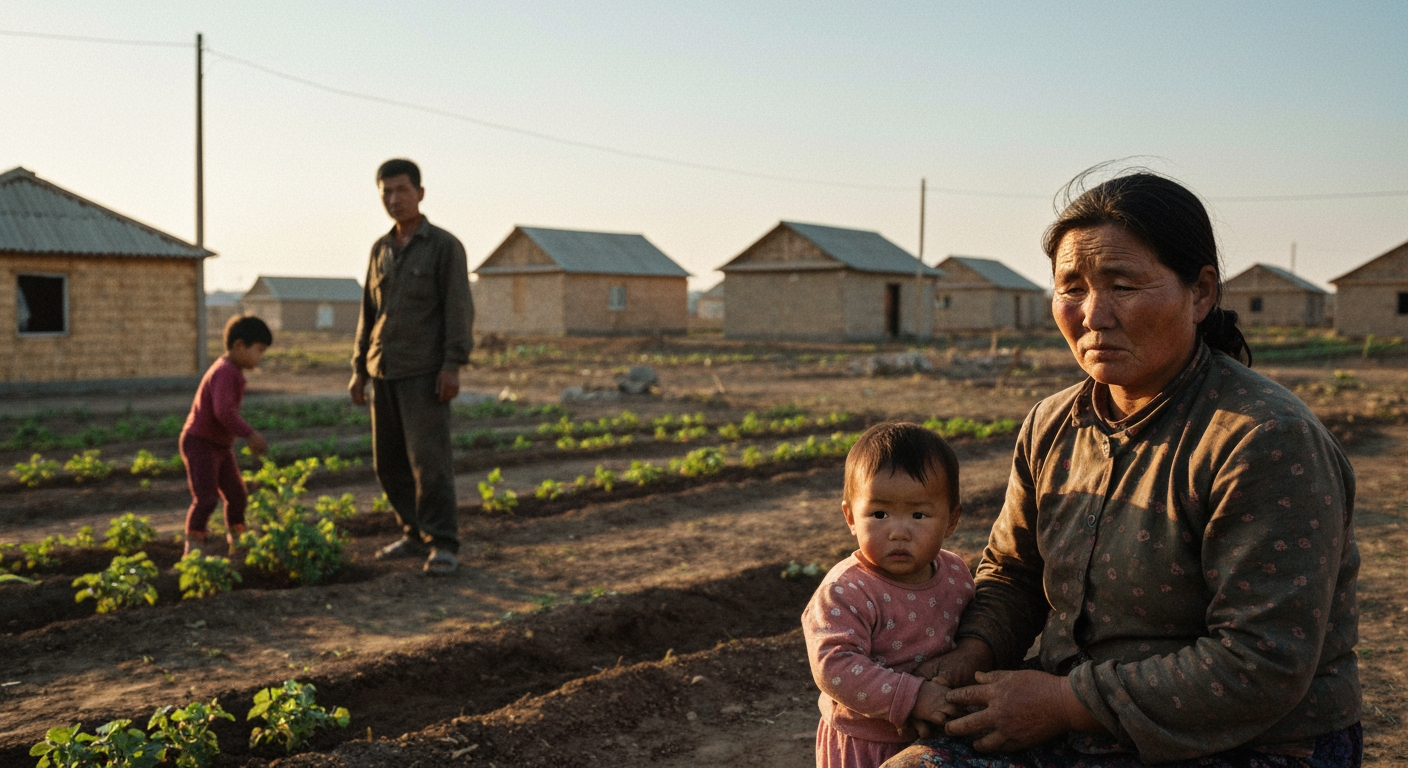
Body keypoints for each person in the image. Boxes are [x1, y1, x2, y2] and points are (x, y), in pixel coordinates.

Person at [882, 171, 1361, 768]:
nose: (1094, 314)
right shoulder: (1052, 424)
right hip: (1077, 715)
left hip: (1255, 738)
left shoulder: (1265, 440)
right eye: (1071, 288)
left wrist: (1063, 702)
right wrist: (971, 652)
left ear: (1202, 293)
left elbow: (1262, 662)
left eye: (1124, 285)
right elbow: (1012, 572)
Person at [804, 422, 975, 768]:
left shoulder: (956, 574)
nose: (899, 532)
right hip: (865, 741)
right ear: (851, 517)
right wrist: (912, 698)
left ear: (952, 520)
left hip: (936, 734)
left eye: (918, 514)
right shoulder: (846, 590)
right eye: (879, 514)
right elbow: (834, 665)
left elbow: (970, 633)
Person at [351, 158, 473, 576]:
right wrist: (358, 368)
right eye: (386, 191)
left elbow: (458, 309)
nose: (394, 199)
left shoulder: (443, 247)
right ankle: (413, 532)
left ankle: (443, 542)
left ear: (420, 193)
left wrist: (452, 365)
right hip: (383, 369)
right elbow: (369, 312)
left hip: (424, 372)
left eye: (402, 190)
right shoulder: (380, 249)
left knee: (429, 460)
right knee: (388, 462)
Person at [180, 314, 271, 556]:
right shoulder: (225, 372)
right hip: (200, 442)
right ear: (240, 345)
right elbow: (222, 412)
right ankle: (193, 549)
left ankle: (238, 543)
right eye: (259, 350)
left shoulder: (233, 372)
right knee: (206, 498)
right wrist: (249, 434)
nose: (260, 357)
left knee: (237, 495)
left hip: (219, 445)